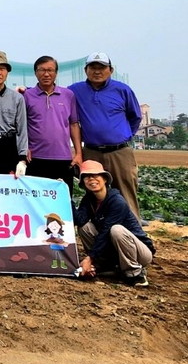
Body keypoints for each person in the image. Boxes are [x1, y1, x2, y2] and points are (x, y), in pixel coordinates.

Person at [69, 53, 143, 222]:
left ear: (110, 70)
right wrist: (25, 90)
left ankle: (133, 230)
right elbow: (54, 92)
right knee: (94, 191)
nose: (97, 71)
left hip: (119, 152)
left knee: (125, 190)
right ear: (86, 70)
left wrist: (124, 135)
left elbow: (135, 117)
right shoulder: (75, 90)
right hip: (91, 151)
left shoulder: (122, 90)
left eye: (101, 67)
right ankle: (98, 230)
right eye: (93, 67)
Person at [74, 160, 154, 286]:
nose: (91, 179)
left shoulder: (117, 201)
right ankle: (106, 265)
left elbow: (106, 232)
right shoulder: (89, 200)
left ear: (105, 179)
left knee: (116, 229)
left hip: (139, 253)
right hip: (115, 249)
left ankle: (135, 273)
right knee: (84, 227)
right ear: (83, 182)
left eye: (95, 175)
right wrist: (66, 199)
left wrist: (90, 258)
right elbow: (80, 220)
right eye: (87, 177)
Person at [23, 56, 82, 196]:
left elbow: (73, 124)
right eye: (42, 70)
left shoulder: (68, 95)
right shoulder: (27, 95)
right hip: (35, 158)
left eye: (50, 70)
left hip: (63, 158)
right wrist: (24, 147)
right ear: (35, 72)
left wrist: (78, 153)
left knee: (62, 199)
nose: (46, 74)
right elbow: (21, 125)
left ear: (56, 73)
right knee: (37, 199)